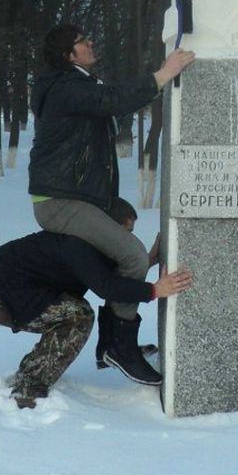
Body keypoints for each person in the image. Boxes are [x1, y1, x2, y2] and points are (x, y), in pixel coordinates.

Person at [28, 23, 193, 385]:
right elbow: (110, 101)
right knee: (132, 256)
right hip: (60, 200)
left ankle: (112, 343)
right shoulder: (66, 87)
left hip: (72, 195)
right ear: (68, 54)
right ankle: (121, 347)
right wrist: (164, 74)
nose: (91, 43)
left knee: (120, 256)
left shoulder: (75, 84)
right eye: (82, 41)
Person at [0, 198, 194, 408]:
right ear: (107, 230)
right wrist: (156, 290)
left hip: (10, 287)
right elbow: (108, 286)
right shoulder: (75, 246)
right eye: (126, 233)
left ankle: (109, 350)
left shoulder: (86, 244)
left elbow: (115, 278)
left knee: (73, 312)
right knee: (78, 316)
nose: (128, 241)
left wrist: (149, 260)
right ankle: (29, 386)